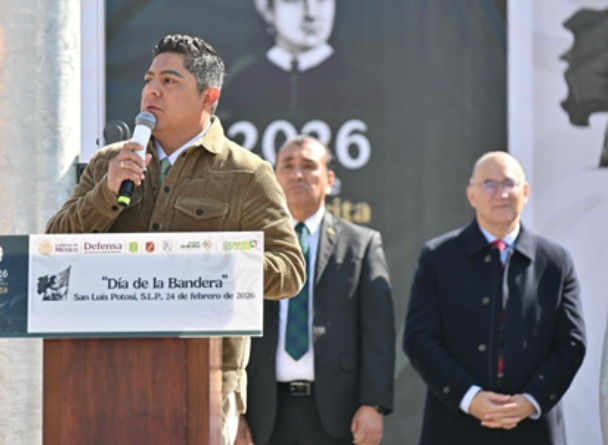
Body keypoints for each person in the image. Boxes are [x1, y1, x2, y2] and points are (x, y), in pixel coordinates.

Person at [46, 33, 306, 445]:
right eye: (149, 79)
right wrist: (105, 194)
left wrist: (206, 266)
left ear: (209, 97)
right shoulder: (108, 163)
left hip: (205, 379)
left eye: (170, 81)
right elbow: (54, 250)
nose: (152, 89)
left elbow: (289, 272)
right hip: (102, 370)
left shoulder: (247, 174)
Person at [403, 151, 587, 445]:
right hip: (454, 427)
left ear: (525, 192)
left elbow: (571, 343)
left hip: (533, 430)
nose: (500, 193)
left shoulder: (555, 262)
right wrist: (469, 397)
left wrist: (531, 400)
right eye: (488, 184)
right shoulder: (438, 258)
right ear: (471, 195)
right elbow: (419, 339)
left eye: (509, 183)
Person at [236, 136, 394, 445]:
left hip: (338, 414)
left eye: (308, 166)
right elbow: (231, 329)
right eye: (288, 166)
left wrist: (373, 404)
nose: (297, 175)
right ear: (274, 177)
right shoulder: (250, 243)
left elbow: (379, 332)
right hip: (263, 413)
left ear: (330, 179)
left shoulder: (361, 244)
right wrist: (235, 408)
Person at [220, 0, 384, 160]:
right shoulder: (238, 86)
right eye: (294, 2)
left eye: (321, 1)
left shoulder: (363, 87)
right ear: (267, 9)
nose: (311, 14)